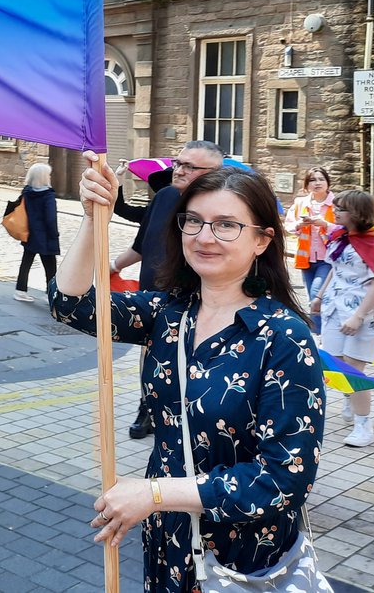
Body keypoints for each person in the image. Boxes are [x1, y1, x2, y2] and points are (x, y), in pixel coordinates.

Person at [53, 153, 324, 591]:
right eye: (193, 221)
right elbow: (72, 305)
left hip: (240, 555)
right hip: (167, 538)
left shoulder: (283, 337)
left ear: (261, 240)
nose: (204, 236)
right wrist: (92, 220)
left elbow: (283, 479)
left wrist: (153, 494)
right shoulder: (168, 312)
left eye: (226, 224)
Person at [112, 141, 225, 439]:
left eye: (190, 166)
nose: (179, 170)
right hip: (153, 297)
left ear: (214, 172)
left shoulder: (222, 207)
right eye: (178, 163)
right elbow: (141, 245)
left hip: (196, 299)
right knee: (150, 357)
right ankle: (147, 407)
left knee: (190, 362)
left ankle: (187, 417)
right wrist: (113, 265)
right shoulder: (163, 197)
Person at [312, 189, 374, 447]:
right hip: (334, 308)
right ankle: (351, 399)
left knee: (355, 371)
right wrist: (320, 297)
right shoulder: (339, 236)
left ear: (357, 212)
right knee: (335, 362)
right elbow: (334, 269)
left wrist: (358, 316)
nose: (335, 211)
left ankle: (364, 427)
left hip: (362, 315)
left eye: (341, 208)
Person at [284, 167, 335, 330]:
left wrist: (324, 225)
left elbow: (344, 228)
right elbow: (289, 226)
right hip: (306, 258)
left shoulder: (336, 204)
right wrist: (299, 224)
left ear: (328, 183)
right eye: (312, 180)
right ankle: (321, 330)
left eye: (321, 179)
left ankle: (318, 333)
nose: (317, 183)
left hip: (328, 259)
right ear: (306, 185)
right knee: (311, 297)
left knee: (316, 295)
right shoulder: (301, 203)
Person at [13, 162, 60, 301]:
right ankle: (50, 295)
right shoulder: (48, 196)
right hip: (45, 236)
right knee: (50, 266)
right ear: (44, 177)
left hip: (30, 233)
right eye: (49, 175)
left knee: (26, 263)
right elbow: (51, 219)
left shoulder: (27, 192)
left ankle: (20, 291)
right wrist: (54, 235)